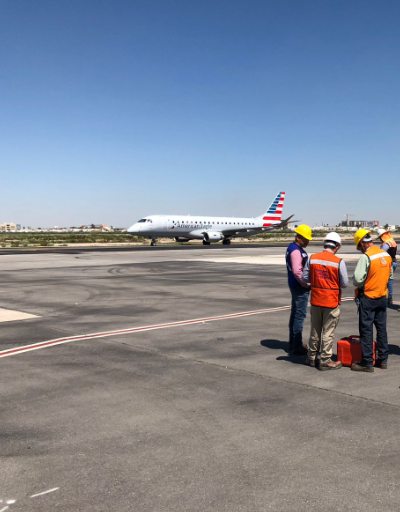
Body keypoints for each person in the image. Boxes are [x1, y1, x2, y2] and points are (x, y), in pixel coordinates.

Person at [302, 232, 348, 370]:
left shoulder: (313, 258)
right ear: (337, 247)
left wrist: (317, 280)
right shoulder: (338, 261)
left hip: (316, 299)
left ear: (324, 244)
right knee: (328, 331)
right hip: (330, 301)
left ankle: (311, 357)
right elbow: (345, 283)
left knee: (315, 330)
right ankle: (325, 360)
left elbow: (305, 278)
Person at [352, 229, 393, 372]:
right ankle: (383, 360)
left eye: (359, 247)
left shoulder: (366, 257)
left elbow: (357, 280)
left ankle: (367, 362)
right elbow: (390, 275)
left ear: (363, 244)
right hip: (382, 297)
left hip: (368, 297)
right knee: (381, 329)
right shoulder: (385, 254)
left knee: (366, 329)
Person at [286, 225, 312, 355]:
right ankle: (297, 345)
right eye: (306, 239)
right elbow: (297, 271)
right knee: (299, 316)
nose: (308, 241)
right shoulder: (296, 251)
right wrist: (306, 284)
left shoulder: (294, 248)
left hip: (294, 285)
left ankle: (293, 343)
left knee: (295, 314)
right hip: (299, 287)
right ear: (298, 238)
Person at [376, 228, 397, 305]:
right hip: (394, 262)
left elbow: (381, 254)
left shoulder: (386, 244)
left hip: (388, 264)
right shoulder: (393, 242)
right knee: (389, 280)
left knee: (387, 281)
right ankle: (389, 298)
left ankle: (387, 298)